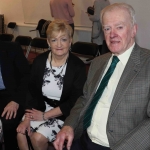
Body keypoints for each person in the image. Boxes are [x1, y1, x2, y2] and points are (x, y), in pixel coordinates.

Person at [54, 3, 150, 150]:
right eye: (107, 28)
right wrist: (69, 125)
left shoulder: (147, 64)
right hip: (83, 138)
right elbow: (84, 98)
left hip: (119, 145)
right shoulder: (98, 62)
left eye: (119, 27)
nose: (112, 34)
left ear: (133, 30)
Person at [16, 19, 86, 150]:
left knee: (37, 138)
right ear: (48, 42)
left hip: (63, 115)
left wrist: (45, 116)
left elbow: (75, 102)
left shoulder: (78, 67)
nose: (59, 44)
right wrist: (27, 118)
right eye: (54, 40)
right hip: (39, 109)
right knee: (21, 133)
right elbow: (31, 92)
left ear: (70, 41)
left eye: (63, 39)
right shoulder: (39, 61)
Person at [0, 41, 30, 150]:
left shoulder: (11, 48)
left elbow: (26, 76)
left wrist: (16, 100)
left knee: (8, 120)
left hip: (11, 94)